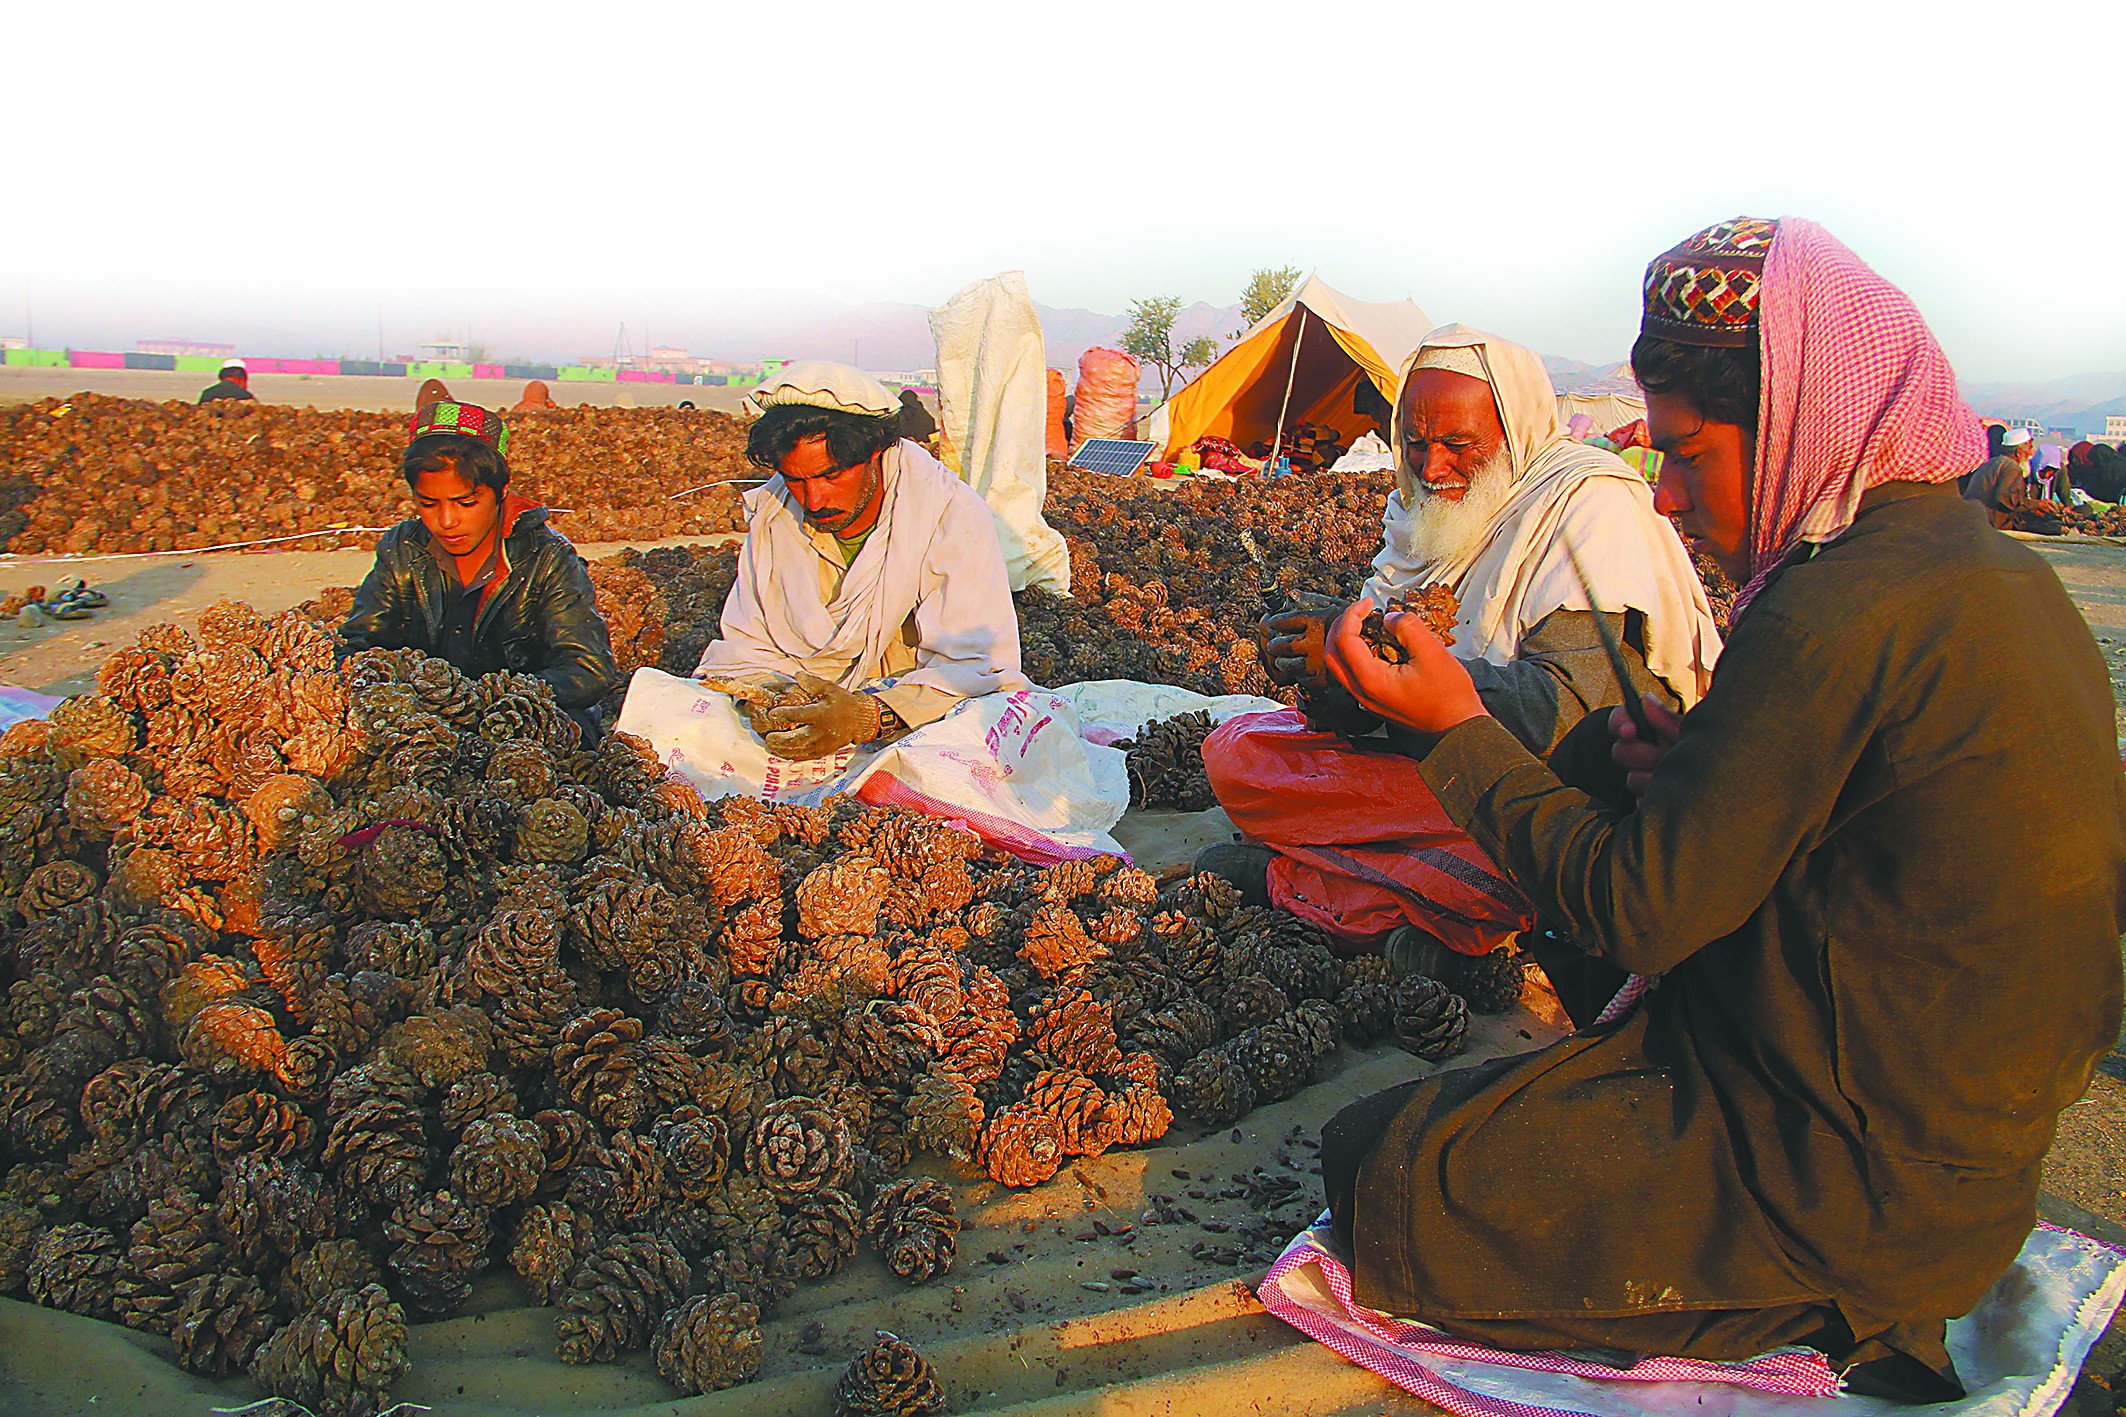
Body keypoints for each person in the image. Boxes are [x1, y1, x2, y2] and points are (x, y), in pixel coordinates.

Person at [1315, 216, 2125, 1399]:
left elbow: (1642, 918)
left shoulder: (1830, 609)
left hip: (1848, 1177)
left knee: (1384, 1173)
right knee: (1599, 755)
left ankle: (1822, 1303)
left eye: (1690, 457)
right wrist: (1698, 759)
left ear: (1805, 421)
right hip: (1950, 1150)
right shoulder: (1984, 570)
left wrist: (1453, 736)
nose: (1669, 498)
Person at [1195, 325, 1721, 960]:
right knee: (1240, 750)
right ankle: (1408, 894)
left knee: (1540, 846)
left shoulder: (1587, 508)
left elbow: (1573, 716)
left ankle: (1319, 886)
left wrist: (1390, 669)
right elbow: (1389, 648)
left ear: (1516, 433)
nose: (1431, 466)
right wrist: (1332, 655)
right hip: (1434, 757)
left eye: (1456, 444)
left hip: (1539, 782)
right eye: (1415, 443)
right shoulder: (1425, 511)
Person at [688, 360, 1025, 759]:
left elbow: (978, 665)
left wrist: (867, 717)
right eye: (796, 480)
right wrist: (771, 697)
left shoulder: (949, 515)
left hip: (915, 712)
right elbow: (748, 645)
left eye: (832, 476)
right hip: (809, 710)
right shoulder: (774, 517)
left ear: (877, 453)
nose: (814, 500)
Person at [340, 400, 621, 737]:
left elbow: (588, 670)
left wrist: (491, 701)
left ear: (501, 491)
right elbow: (359, 644)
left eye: (466, 503)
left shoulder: (547, 558)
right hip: (421, 729)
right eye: (428, 504)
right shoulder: (402, 550)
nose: (446, 521)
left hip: (525, 729)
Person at [1963, 425, 2057, 531]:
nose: (2031, 453)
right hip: (1991, 523)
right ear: (2019, 452)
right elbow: (2007, 500)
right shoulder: (2012, 467)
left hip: (1975, 518)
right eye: (2030, 448)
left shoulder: (1993, 462)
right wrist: (2037, 504)